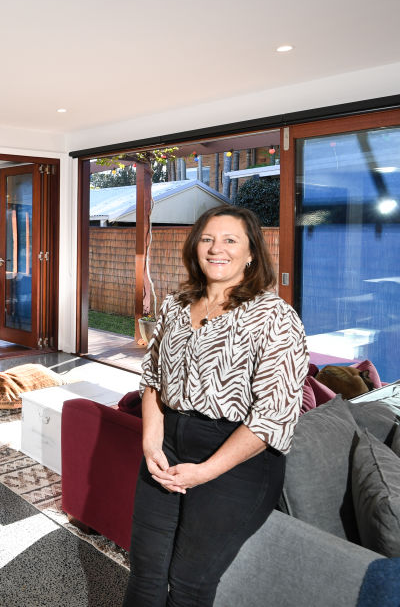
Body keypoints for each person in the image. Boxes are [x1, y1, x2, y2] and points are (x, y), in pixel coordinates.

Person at [123, 205, 308, 607]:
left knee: (189, 584)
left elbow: (273, 417)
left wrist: (205, 471)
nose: (215, 249)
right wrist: (151, 443)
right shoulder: (175, 305)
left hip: (236, 459)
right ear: (195, 246)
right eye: (207, 239)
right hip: (167, 443)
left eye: (230, 240)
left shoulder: (274, 316)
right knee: (145, 572)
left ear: (251, 253)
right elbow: (153, 377)